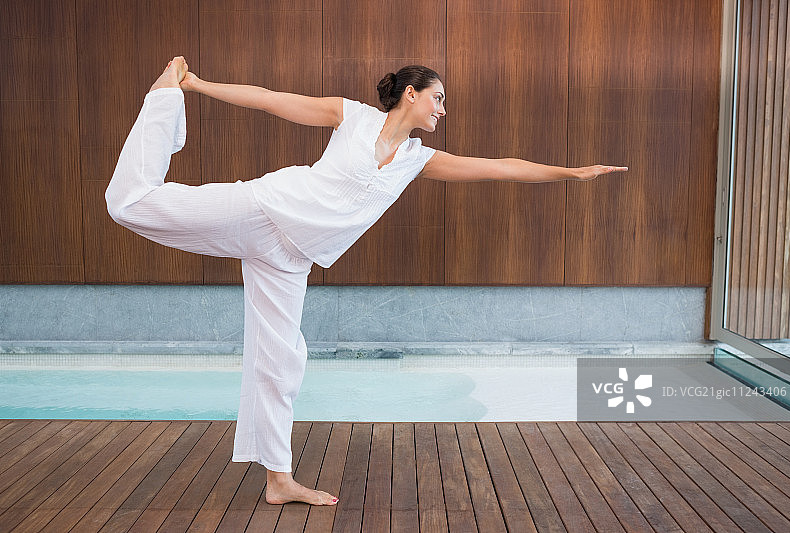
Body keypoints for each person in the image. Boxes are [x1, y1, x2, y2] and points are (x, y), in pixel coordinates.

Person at [106, 56, 627, 506]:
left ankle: (278, 479)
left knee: (281, 360)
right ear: (411, 93)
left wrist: (572, 174)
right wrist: (194, 87)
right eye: (437, 98)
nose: (442, 110)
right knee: (129, 204)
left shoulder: (418, 161)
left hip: (292, 258)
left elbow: (502, 168)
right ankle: (163, 96)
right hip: (265, 209)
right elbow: (268, 99)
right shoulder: (349, 117)